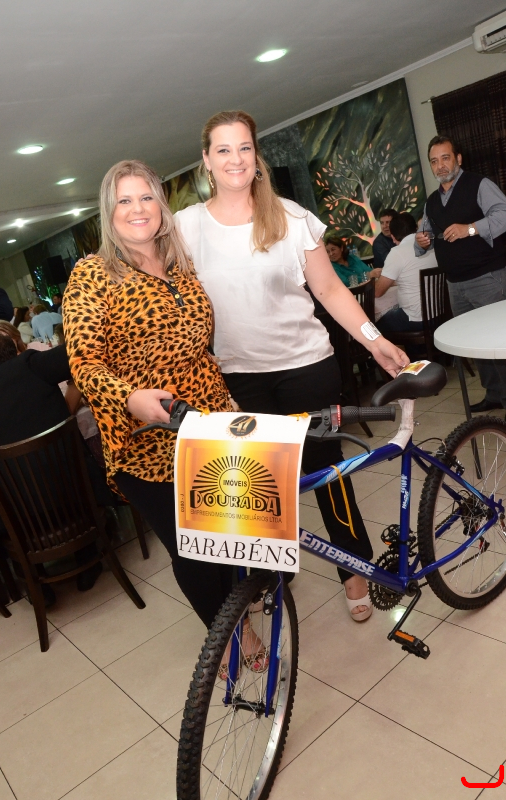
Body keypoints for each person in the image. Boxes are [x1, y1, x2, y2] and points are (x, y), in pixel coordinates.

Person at [175, 110, 409, 621]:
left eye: (244, 148)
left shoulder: (290, 216)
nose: (236, 159)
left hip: (307, 366)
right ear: (207, 161)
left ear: (256, 156)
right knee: (255, 485)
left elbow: (328, 289)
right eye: (223, 150)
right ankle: (269, 576)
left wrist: (374, 341)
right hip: (239, 378)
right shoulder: (185, 227)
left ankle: (353, 567)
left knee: (327, 472)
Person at [63, 159, 235, 629]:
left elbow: (198, 348)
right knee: (194, 551)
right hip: (146, 444)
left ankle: (239, 605)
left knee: (226, 534)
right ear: (109, 211)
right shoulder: (93, 273)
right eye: (124, 200)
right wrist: (129, 397)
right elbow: (83, 363)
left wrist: (225, 399)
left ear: (160, 205)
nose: (137, 208)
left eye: (146, 197)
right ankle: (230, 639)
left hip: (208, 427)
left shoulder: (180, 266)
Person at [0, 335, 109, 600]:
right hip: (72, 500)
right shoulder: (32, 365)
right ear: (17, 352)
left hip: (16, 522)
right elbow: (82, 351)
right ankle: (88, 561)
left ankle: (35, 584)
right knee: (69, 472)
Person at [416, 135, 506, 413]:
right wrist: (422, 242)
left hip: (488, 278)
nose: (440, 165)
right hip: (455, 284)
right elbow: (424, 237)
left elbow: (503, 214)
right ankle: (494, 395)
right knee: (474, 345)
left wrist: (470, 228)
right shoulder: (432, 202)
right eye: (434, 161)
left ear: (458, 158)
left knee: (498, 343)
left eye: (445, 158)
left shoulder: (479, 184)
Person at [376, 213, 438, 350]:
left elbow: (378, 292)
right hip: (440, 313)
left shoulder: (397, 252)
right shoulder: (432, 246)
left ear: (393, 236)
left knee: (375, 326)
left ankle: (402, 360)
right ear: (416, 228)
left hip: (416, 319)